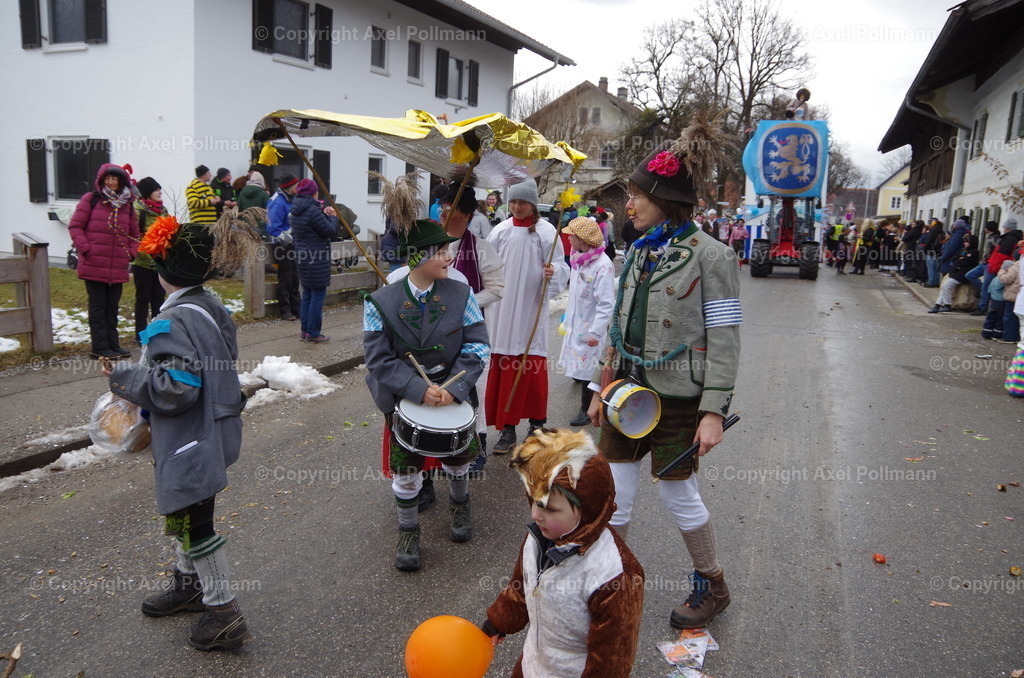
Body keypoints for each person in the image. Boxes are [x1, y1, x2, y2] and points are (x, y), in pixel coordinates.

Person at [586, 136, 742, 630]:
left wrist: (714, 410)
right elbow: (617, 322)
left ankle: (712, 584)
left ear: (666, 201)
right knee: (616, 494)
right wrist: (600, 384)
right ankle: (613, 585)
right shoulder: (634, 252)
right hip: (626, 392)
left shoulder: (712, 256)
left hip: (680, 398)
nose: (627, 204)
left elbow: (725, 334)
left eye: (637, 195)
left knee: (678, 495)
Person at [102, 209, 262, 651]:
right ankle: (188, 584)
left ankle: (224, 613)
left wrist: (126, 378)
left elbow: (178, 387)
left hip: (192, 439)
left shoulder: (170, 321)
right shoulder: (210, 306)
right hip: (217, 430)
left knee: (196, 524)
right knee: (187, 511)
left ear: (162, 273)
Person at [363, 219, 489, 571]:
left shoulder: (462, 295)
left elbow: (478, 346)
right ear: (419, 256)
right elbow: (377, 359)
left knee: (458, 460)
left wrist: (453, 389)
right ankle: (408, 530)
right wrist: (418, 389)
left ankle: (460, 507)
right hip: (404, 396)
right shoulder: (379, 302)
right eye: (443, 251)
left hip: (454, 390)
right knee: (405, 471)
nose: (450, 256)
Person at [482, 428, 644, 677]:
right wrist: (499, 621)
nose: (536, 515)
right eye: (534, 501)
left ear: (587, 507)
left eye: (548, 508)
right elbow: (521, 587)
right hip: (533, 663)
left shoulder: (615, 575)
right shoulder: (538, 537)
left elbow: (612, 659)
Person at [484, 178, 569, 453]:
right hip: (502, 309)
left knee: (530, 363)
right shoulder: (500, 231)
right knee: (504, 363)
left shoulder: (547, 233)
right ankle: (506, 429)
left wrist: (553, 273)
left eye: (522, 202)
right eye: (513, 201)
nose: (517, 206)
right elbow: (485, 264)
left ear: (532, 203)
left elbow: (561, 266)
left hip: (531, 308)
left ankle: (536, 425)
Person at [68, 163, 140, 359]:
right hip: (94, 263)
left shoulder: (127, 205)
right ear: (101, 180)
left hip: (117, 265)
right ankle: (99, 347)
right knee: (98, 306)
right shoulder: (91, 199)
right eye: (107, 179)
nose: (111, 182)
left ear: (121, 181)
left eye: (114, 179)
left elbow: (134, 234)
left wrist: (130, 254)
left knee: (112, 307)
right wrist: (86, 249)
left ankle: (112, 345)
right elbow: (75, 226)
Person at [559, 217, 615, 427]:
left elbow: (605, 303)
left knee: (589, 369)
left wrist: (596, 332)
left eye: (572, 235)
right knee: (579, 365)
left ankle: (586, 408)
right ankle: (581, 389)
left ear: (583, 239)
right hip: (576, 323)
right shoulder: (577, 259)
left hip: (590, 327)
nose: (569, 238)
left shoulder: (603, 266)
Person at [290, 179, 339, 343]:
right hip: (316, 258)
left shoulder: (297, 209)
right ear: (313, 192)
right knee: (317, 295)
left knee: (307, 295)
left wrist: (323, 214)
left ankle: (305, 330)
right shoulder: (312, 210)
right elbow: (330, 231)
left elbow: (312, 228)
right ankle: (313, 333)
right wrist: (333, 217)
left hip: (302, 257)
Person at [131, 177, 168, 343]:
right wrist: (148, 250)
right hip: (143, 263)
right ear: (147, 192)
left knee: (159, 300)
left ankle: (157, 333)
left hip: (160, 264)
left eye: (160, 189)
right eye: (156, 190)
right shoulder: (138, 210)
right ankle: (140, 334)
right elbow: (133, 236)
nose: (160, 192)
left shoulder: (163, 210)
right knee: (142, 299)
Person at [266, 173, 301, 321]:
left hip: (292, 244)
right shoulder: (278, 202)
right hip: (283, 245)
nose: (298, 188)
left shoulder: (289, 199)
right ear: (289, 187)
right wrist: (288, 237)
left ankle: (296, 308)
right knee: (286, 277)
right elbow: (272, 227)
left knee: (295, 277)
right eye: (296, 185)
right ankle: (285, 310)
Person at [929, 233, 979, 313]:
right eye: (965, 242)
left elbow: (964, 261)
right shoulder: (965, 250)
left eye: (967, 242)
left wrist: (959, 261)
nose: (965, 243)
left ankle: (947, 304)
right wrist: (959, 260)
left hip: (962, 274)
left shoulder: (973, 252)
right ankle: (937, 305)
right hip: (957, 272)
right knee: (945, 288)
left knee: (946, 287)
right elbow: (956, 259)